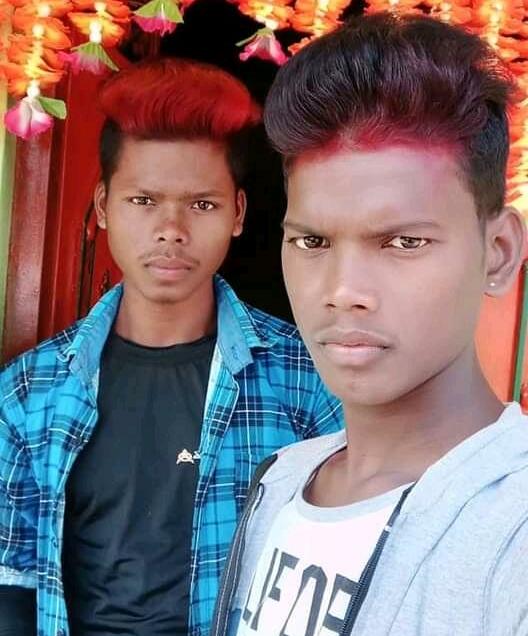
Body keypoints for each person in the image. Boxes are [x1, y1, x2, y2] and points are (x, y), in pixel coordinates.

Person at [211, 13, 528, 636]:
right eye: (313, 242)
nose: (342, 292)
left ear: (498, 253)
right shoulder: (283, 480)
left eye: (403, 242)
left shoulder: (512, 529)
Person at [0, 58, 342, 636]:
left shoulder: (306, 380)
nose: (171, 230)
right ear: (103, 207)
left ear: (237, 213)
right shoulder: (28, 392)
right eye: (143, 201)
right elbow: (13, 581)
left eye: (202, 204)